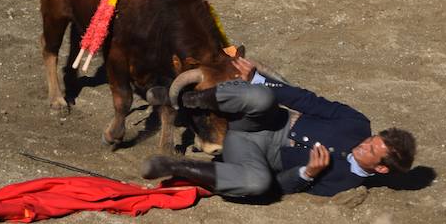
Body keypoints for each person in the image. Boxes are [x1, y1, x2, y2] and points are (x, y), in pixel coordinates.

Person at [141, 58, 416, 198]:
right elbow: (308, 101)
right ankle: (185, 99)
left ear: (381, 168)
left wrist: (306, 173)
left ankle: (174, 166)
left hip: (253, 154)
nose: (363, 144)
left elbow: (281, 187)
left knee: (259, 184)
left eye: (370, 149)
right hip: (263, 120)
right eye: (371, 140)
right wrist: (258, 79)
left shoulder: (345, 184)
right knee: (261, 96)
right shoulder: (357, 123)